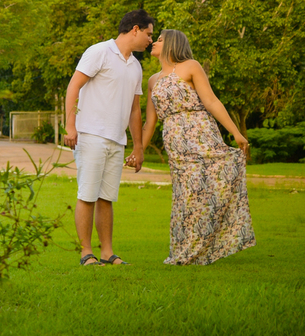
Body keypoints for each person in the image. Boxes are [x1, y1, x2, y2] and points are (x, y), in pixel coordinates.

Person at [133, 29, 255, 265]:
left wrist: (236, 133)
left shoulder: (190, 66)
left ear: (171, 43)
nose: (154, 43)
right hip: (175, 142)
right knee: (185, 195)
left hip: (201, 134)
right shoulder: (152, 80)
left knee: (207, 190)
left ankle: (206, 246)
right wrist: (139, 151)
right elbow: (150, 122)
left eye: (159, 39)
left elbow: (211, 101)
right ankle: (186, 250)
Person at [64, 10, 155, 266]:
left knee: (107, 197)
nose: (150, 40)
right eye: (149, 34)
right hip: (91, 134)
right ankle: (86, 253)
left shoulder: (135, 66)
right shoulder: (99, 52)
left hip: (117, 139)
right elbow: (74, 86)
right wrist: (71, 125)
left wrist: (138, 146)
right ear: (135, 29)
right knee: (88, 194)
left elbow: (135, 109)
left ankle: (107, 253)